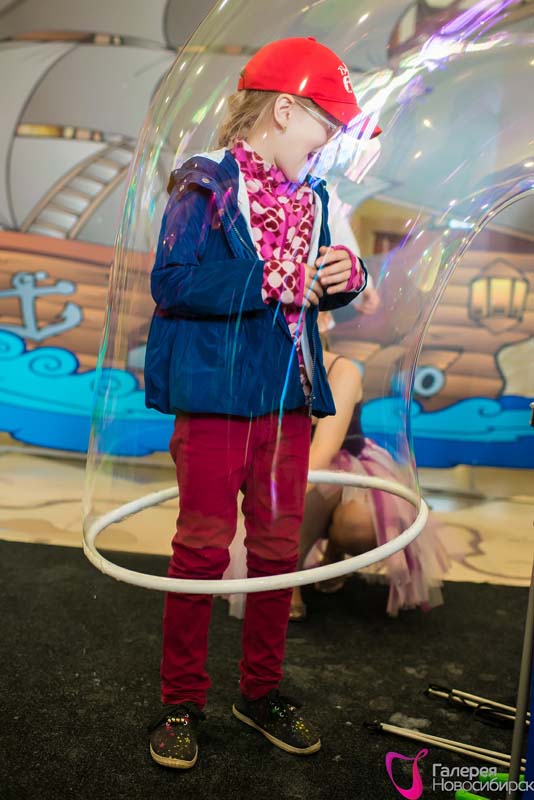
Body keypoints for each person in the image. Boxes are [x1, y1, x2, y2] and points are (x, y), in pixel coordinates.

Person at [143, 36, 381, 769]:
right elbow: (172, 282)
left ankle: (261, 691)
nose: (329, 141)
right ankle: (182, 702)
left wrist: (344, 276)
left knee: (278, 552)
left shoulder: (315, 196)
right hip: (216, 401)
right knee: (202, 550)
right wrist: (269, 281)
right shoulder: (205, 184)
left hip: (286, 401)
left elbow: (321, 286)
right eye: (324, 124)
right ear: (282, 110)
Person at [221, 310, 450, 624]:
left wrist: (275, 498)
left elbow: (323, 452)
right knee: (287, 497)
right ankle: (289, 574)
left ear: (323, 319)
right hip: (288, 462)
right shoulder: (264, 367)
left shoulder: (342, 370)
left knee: (356, 525)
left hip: (344, 466)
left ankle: (330, 555)